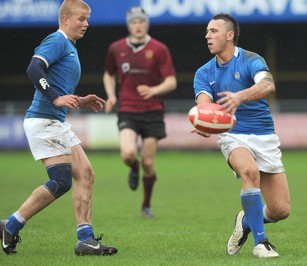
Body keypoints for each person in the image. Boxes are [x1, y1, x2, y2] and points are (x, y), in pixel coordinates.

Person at [0, 0, 117, 256]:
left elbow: (57, 84)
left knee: (85, 173)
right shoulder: (57, 40)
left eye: (88, 19)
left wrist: (79, 101)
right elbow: (34, 67)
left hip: (55, 122)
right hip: (44, 121)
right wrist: (55, 97)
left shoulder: (69, 47)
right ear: (65, 19)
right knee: (61, 181)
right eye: (81, 19)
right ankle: (12, 224)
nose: (86, 24)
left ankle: (85, 239)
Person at [192, 14, 291, 258]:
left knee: (280, 210)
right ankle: (261, 243)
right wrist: (204, 122)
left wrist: (239, 96)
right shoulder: (204, 73)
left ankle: (246, 222)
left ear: (229, 35)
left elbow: (268, 85)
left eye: (214, 31)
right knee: (249, 172)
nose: (207, 35)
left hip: (264, 134)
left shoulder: (251, 60)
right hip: (232, 134)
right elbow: (204, 106)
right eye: (207, 31)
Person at [103, 7, 177, 219]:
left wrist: (153, 90)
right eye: (134, 22)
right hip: (127, 109)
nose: (138, 25)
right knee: (127, 154)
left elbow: (171, 81)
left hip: (153, 111)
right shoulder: (116, 48)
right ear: (129, 24)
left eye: (141, 22)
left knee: (149, 163)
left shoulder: (159, 49)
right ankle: (133, 167)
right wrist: (111, 95)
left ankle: (146, 205)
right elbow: (108, 74)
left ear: (146, 24)